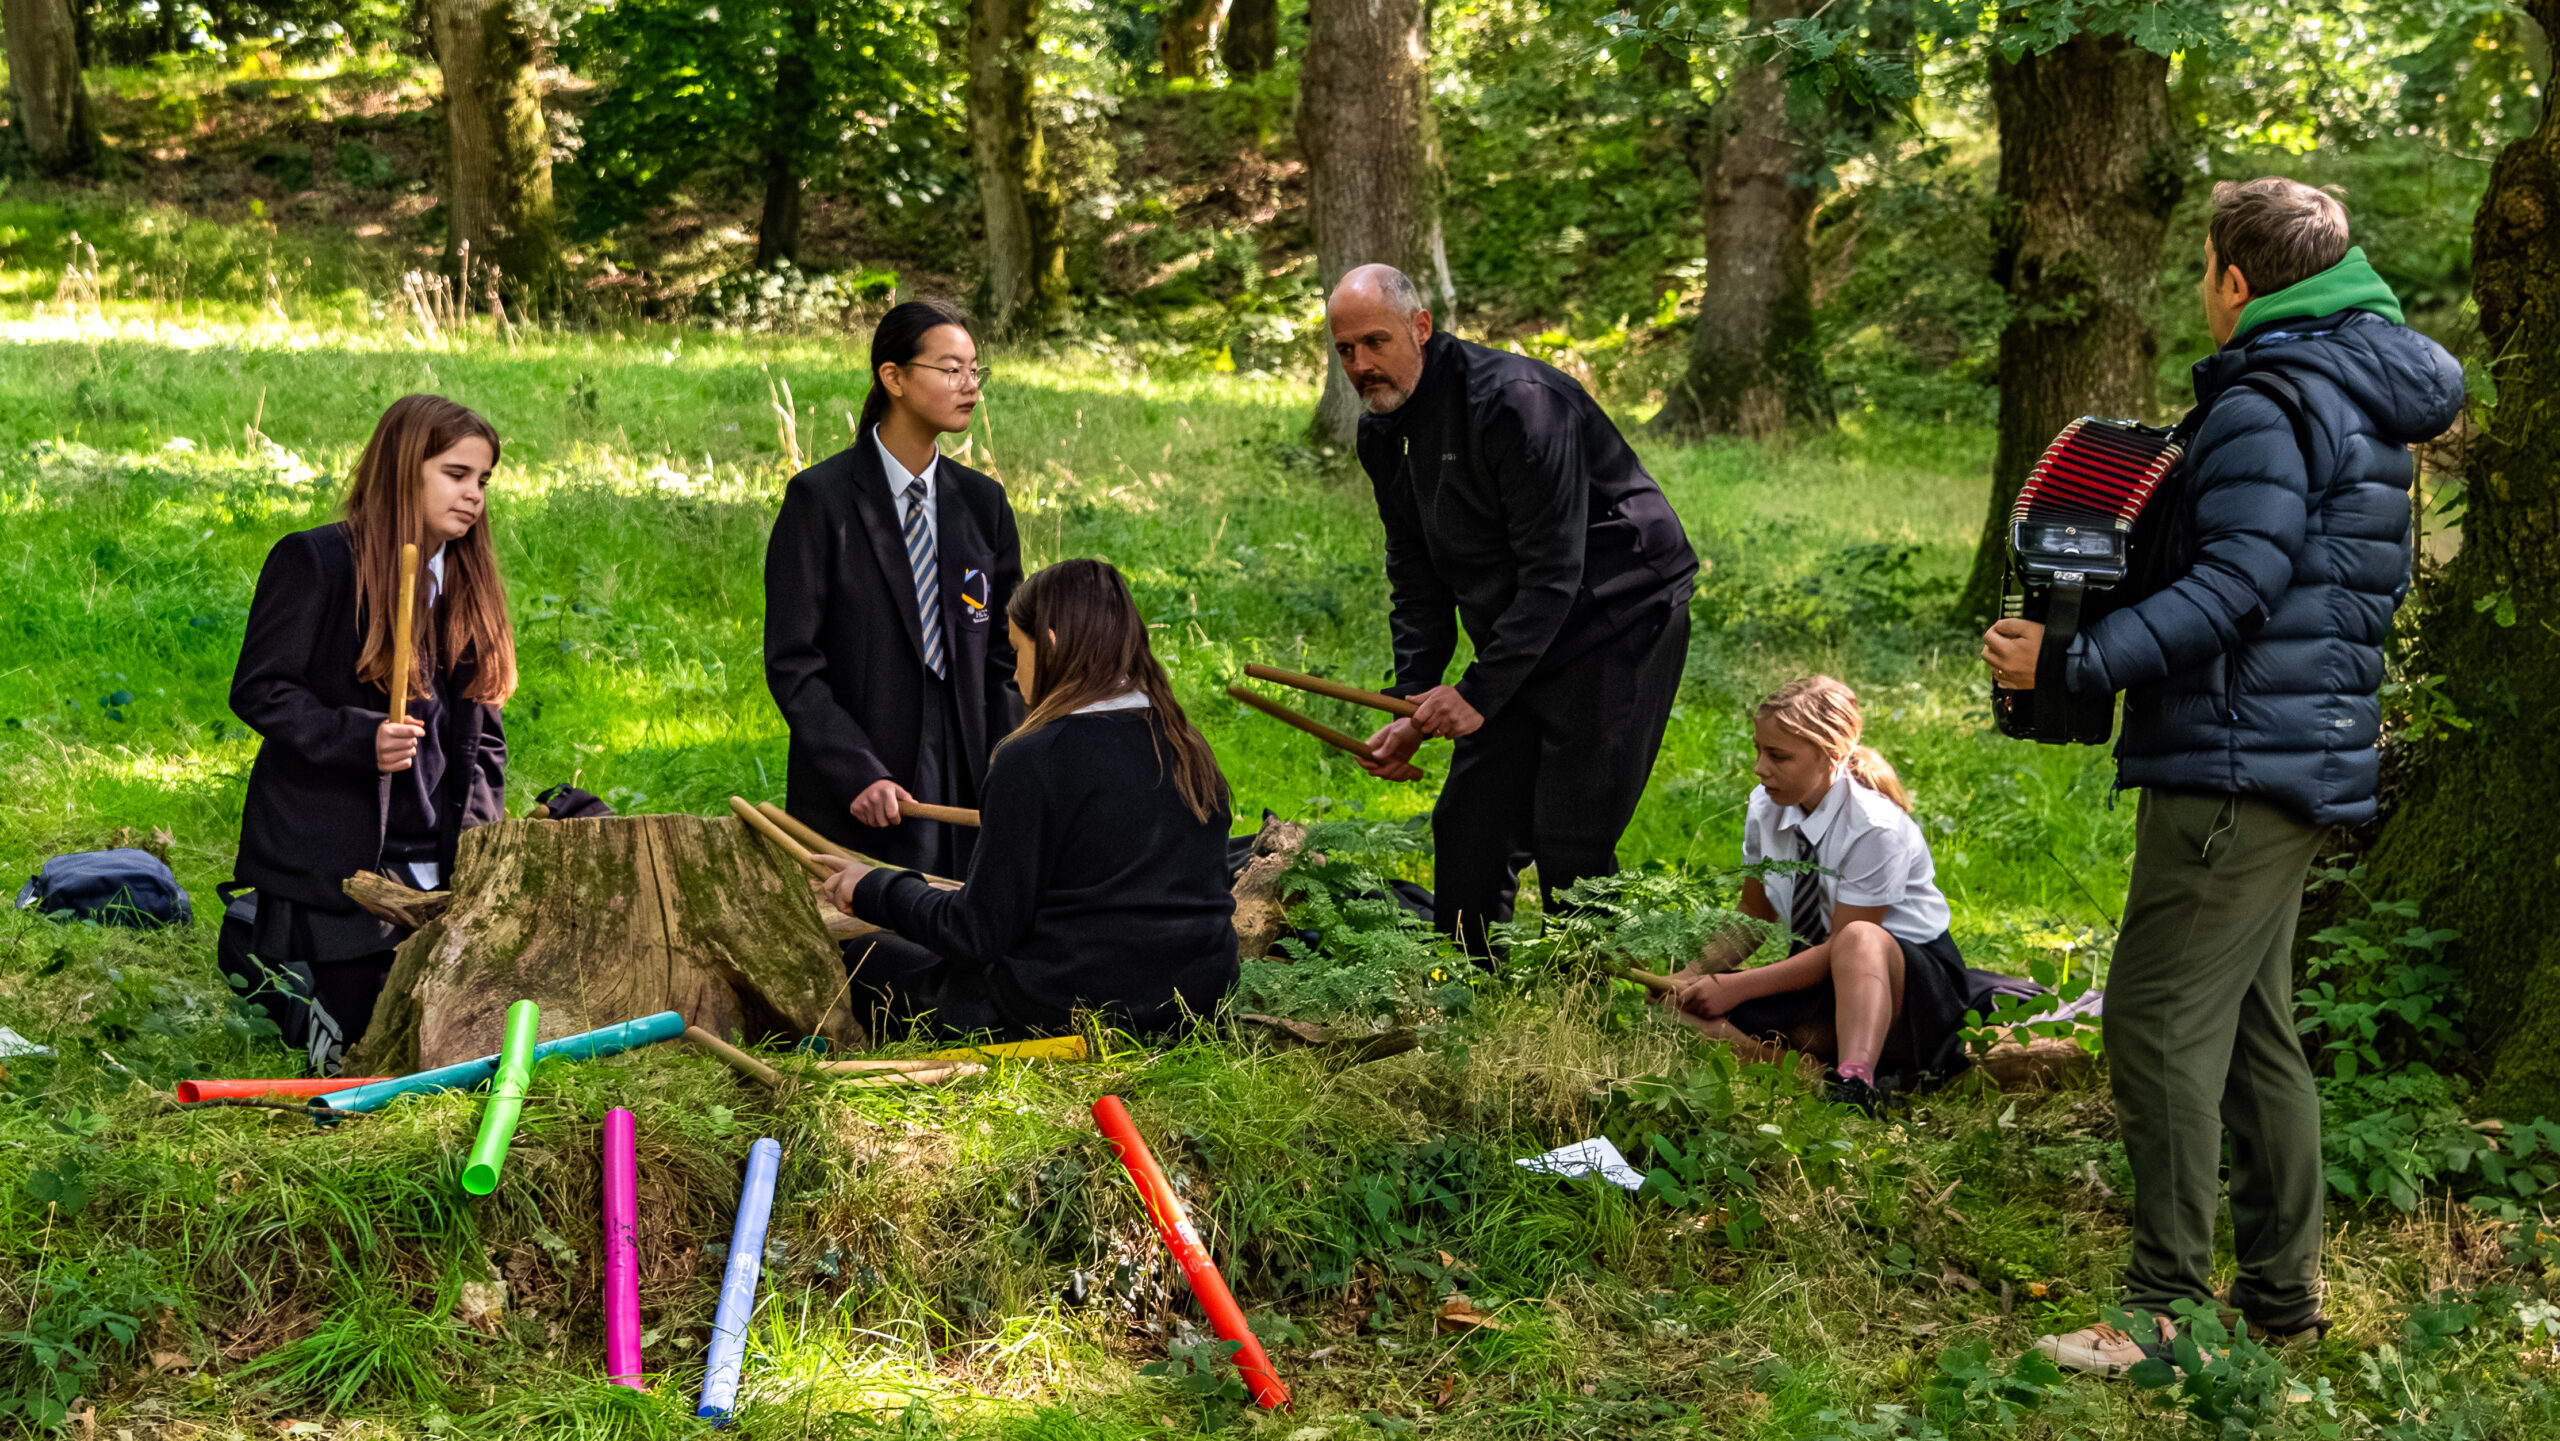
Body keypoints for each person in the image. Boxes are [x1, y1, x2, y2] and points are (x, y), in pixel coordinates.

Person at [1981, 178, 2465, 1372]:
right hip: (2298, 749)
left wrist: (2075, 656)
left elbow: (2239, 584)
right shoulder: (2357, 394)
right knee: (2252, 1033)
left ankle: (2166, 1310)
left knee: (2150, 1023)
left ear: (2235, 282)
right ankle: (2280, 1303)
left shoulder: (2264, 398)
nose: (2202, 291)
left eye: (2203, 270)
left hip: (2237, 757)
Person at [1328, 263, 1699, 957]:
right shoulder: (1383, 433)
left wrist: (1477, 693)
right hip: (1528, 624)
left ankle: (1587, 1010)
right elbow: (1417, 574)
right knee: (1469, 820)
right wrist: (1412, 700)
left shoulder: (1517, 404)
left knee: (1573, 832)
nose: (1362, 365)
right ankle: (1463, 987)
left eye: (1375, 342)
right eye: (1346, 350)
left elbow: (1557, 571)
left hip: (1620, 612)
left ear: (1421, 327)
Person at [815, 559, 1239, 1040]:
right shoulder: (1188, 744)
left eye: (1018, 651)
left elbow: (975, 934)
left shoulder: (1036, 758)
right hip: (1196, 1005)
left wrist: (875, 888)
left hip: (1074, 1010)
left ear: (1052, 643)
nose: (1016, 675)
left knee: (871, 958)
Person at [227, 395, 516, 1072]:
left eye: (483, 480)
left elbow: (485, 735)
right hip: (341, 858)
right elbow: (261, 689)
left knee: (462, 1025)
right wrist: (357, 737)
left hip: (435, 849)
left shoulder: (466, 582)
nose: (472, 495)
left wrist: (481, 849)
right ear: (402, 470)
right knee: (370, 1038)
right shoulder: (317, 562)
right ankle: (306, 998)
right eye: (455, 474)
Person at [765, 299, 1023, 876]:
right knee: (874, 946)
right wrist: (855, 770)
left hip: (968, 765)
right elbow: (793, 662)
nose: (970, 386)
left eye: (975, 370)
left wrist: (1010, 771)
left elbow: (1007, 657)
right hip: (865, 772)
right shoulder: (821, 500)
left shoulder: (984, 505)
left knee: (963, 928)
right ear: (894, 377)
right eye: (950, 369)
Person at [1661, 677, 1972, 1113]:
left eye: (1778, 756)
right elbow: (1753, 914)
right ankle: (1808, 1074)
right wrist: (1690, 976)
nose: (1759, 768)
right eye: (1758, 750)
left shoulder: (1874, 828)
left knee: (1859, 938)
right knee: (1679, 1016)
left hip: (1909, 986)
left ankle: (1855, 1078)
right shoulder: (1765, 807)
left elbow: (1843, 948)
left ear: (1831, 755)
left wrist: (1735, 987)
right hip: (1815, 973)